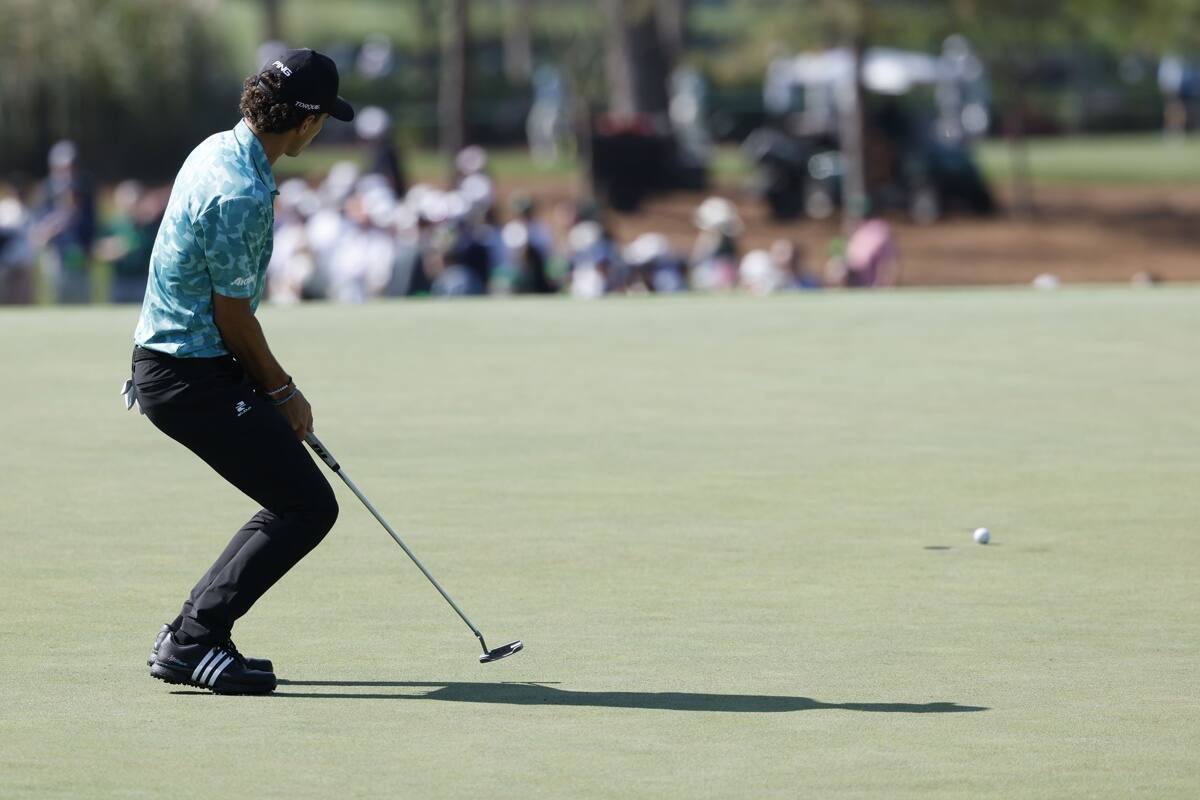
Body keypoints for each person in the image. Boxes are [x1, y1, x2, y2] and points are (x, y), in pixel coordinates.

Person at [128, 49, 354, 695]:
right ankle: (192, 640)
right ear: (307, 123)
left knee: (295, 499)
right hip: (188, 376)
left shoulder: (217, 148)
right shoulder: (244, 191)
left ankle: (198, 636)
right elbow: (232, 316)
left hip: (192, 366)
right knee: (306, 505)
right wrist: (284, 391)